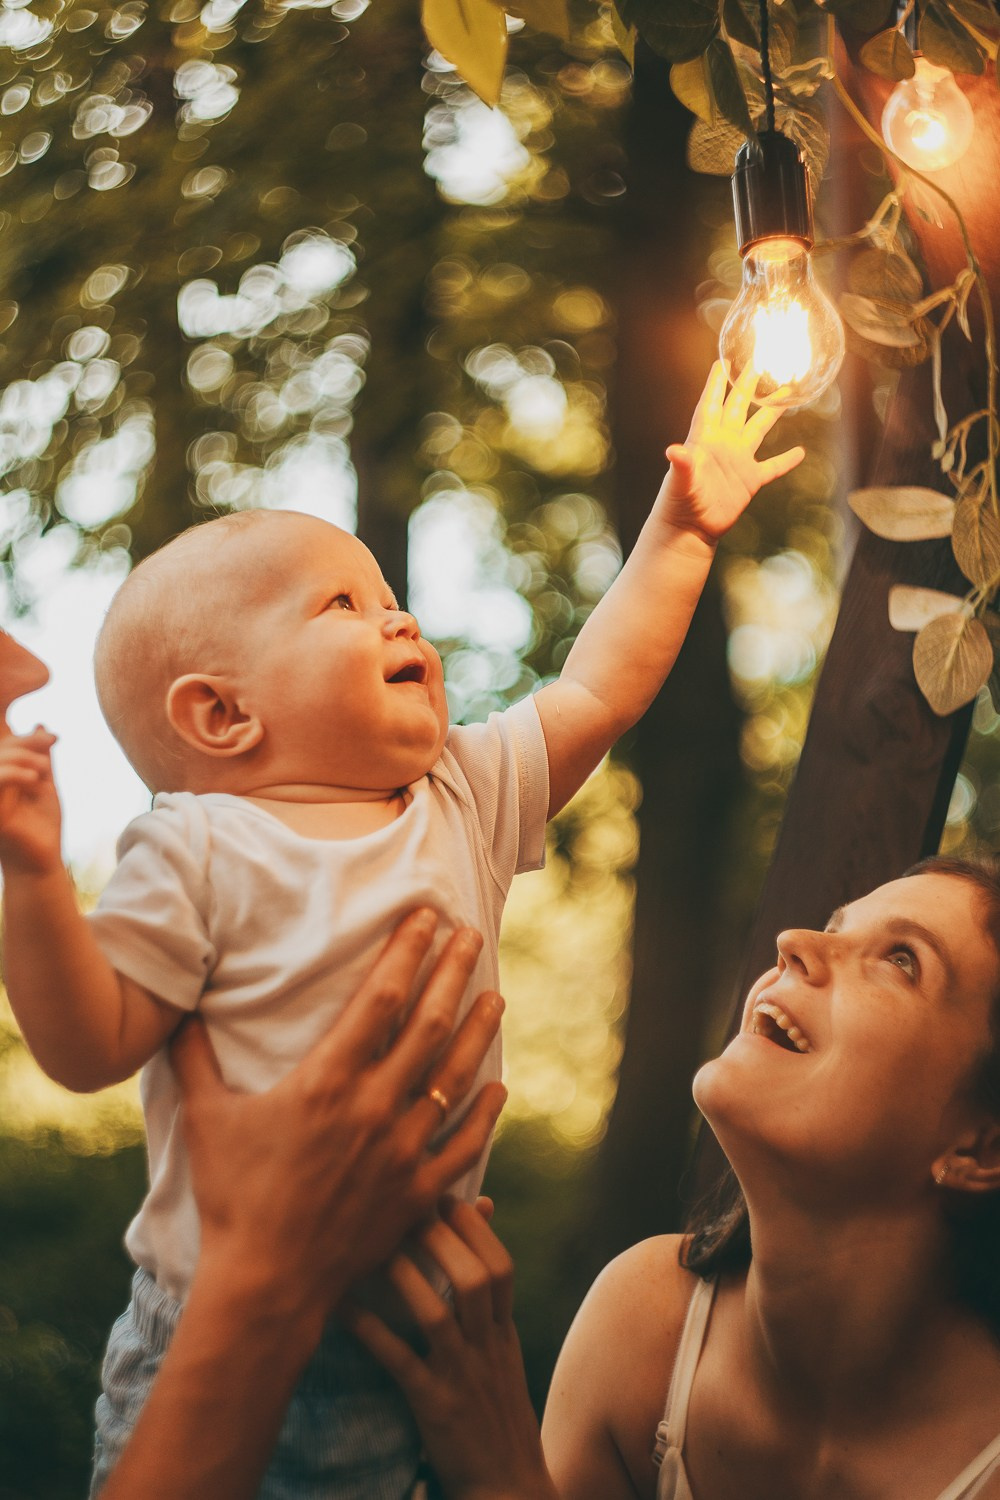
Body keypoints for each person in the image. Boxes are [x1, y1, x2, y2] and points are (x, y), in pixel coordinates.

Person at [0, 363, 804, 1497]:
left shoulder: (460, 792)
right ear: (221, 715)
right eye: (341, 605)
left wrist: (680, 529)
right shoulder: (196, 848)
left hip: (423, 1322)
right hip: (218, 1327)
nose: (398, 613)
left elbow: (599, 690)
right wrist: (33, 877)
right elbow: (87, 1045)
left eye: (387, 593)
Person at [351, 858, 1000, 1500]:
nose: (794, 943)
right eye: (835, 924)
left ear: (982, 1147)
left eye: (902, 959)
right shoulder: (645, 1327)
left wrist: (504, 1482)